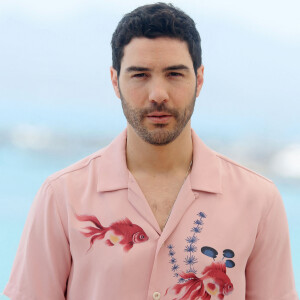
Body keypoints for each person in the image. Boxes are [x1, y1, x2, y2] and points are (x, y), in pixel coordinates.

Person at [4, 3, 298, 300]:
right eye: (140, 75)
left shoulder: (259, 202)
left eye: (174, 74)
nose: (158, 94)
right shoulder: (61, 197)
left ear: (200, 79)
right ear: (114, 81)